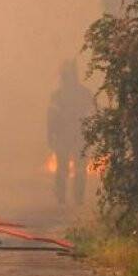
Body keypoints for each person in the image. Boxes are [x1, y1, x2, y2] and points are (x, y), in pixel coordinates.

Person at [47, 59, 95, 205]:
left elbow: (51, 118)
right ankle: (75, 197)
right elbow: (92, 116)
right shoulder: (85, 94)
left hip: (68, 136)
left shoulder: (58, 95)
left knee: (65, 168)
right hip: (78, 136)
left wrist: (50, 135)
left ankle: (64, 197)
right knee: (75, 168)